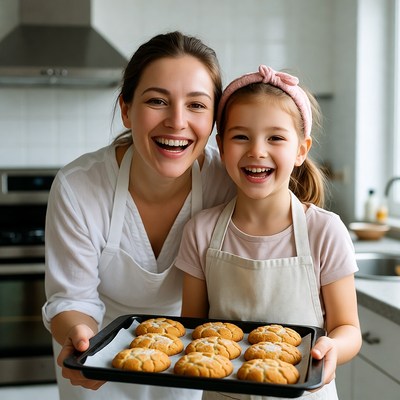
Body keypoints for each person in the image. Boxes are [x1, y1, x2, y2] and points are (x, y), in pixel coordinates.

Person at [42, 31, 236, 400]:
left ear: (214, 119)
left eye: (196, 105)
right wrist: (81, 339)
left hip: (189, 362)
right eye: (157, 101)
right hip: (99, 358)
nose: (177, 122)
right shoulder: (78, 186)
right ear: (127, 110)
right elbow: (72, 300)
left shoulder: (225, 184)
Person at [176, 65, 362, 399]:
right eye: (241, 136)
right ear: (221, 145)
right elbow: (194, 329)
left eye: (275, 137)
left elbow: (348, 328)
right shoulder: (200, 231)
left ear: (301, 150)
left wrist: (332, 347)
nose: (257, 151)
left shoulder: (325, 231)